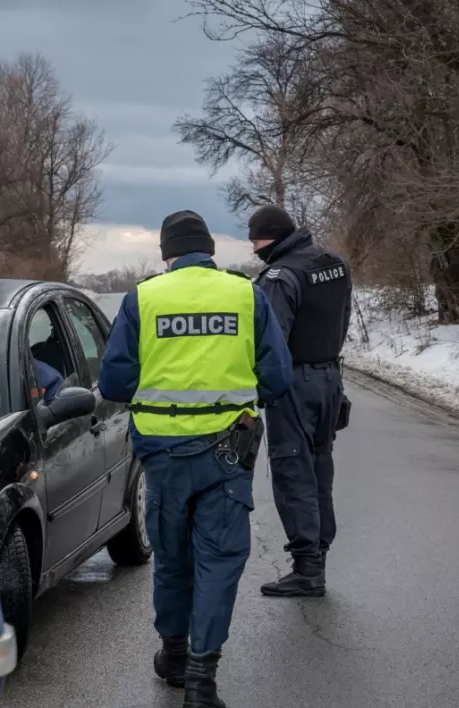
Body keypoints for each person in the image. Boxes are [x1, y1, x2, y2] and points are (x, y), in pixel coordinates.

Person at [99, 210, 292, 708]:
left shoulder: (142, 299)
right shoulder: (245, 294)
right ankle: (202, 680)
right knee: (220, 559)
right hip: (228, 453)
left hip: (162, 455)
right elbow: (276, 378)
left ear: (167, 254)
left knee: (172, 557)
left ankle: (174, 655)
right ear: (208, 249)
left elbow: (115, 383)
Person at [249, 204, 353, 598]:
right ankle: (319, 555)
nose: (253, 247)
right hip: (329, 378)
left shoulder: (280, 275)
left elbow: (271, 342)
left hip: (293, 382)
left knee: (294, 471)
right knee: (320, 467)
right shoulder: (335, 264)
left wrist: (262, 388)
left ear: (269, 238)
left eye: (255, 239)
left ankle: (307, 568)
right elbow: (341, 320)